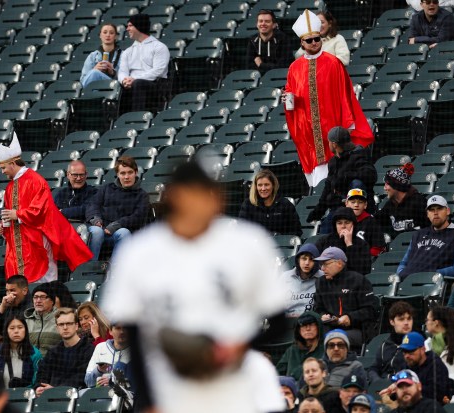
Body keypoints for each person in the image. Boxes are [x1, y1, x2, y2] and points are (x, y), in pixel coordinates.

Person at [102, 160, 287, 413]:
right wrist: (149, 402)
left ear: (215, 198)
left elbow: (278, 321)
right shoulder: (140, 251)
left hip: (234, 377)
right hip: (171, 379)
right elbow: (134, 332)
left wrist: (239, 346)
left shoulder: (248, 243)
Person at [284, 10, 373, 188]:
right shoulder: (294, 68)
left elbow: (345, 94)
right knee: (315, 180)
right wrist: (288, 99)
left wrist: (347, 124)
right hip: (307, 130)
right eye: (309, 40)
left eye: (317, 39)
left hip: (330, 126)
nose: (314, 42)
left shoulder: (333, 63)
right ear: (302, 42)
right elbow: (290, 94)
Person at [0, 134, 92, 284]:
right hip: (20, 240)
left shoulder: (36, 180)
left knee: (44, 277)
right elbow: (9, 214)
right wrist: (4, 227)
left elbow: (41, 209)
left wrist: (17, 214)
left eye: (4, 167)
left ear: (13, 163)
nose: (2, 171)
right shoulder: (10, 186)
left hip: (37, 236)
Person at [306, 126, 377, 234]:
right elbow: (328, 188)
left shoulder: (358, 155)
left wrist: (346, 177)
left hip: (355, 207)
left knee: (356, 183)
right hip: (337, 208)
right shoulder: (333, 162)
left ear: (334, 144)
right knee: (324, 234)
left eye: (329, 142)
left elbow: (371, 175)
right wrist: (318, 211)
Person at [85, 156, 150, 261]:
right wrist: (95, 219)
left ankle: (115, 272)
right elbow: (93, 205)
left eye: (130, 172)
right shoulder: (106, 188)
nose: (126, 177)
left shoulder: (142, 195)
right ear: (118, 174)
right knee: (95, 232)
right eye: (122, 173)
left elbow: (138, 217)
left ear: (136, 172)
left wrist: (117, 225)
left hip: (122, 232)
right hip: (101, 229)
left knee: (123, 232)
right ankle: (88, 270)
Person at [396, 195, 454, 280]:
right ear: (427, 214)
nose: (435, 213)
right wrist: (401, 273)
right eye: (431, 210)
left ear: (448, 211)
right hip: (407, 282)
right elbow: (403, 263)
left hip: (433, 284)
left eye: (439, 208)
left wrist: (434, 274)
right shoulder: (418, 235)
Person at [314, 247, 376, 347]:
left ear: (339, 263)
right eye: (321, 265)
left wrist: (350, 318)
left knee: (334, 339)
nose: (322, 268)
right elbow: (318, 308)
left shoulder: (358, 280)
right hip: (329, 327)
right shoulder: (321, 283)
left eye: (326, 264)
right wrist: (323, 315)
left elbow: (370, 310)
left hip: (357, 329)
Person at [381, 332, 453, 405]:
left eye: (410, 351)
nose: (407, 356)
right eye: (404, 352)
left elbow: (436, 394)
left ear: (423, 349)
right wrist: (393, 391)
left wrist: (409, 388)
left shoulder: (436, 365)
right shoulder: (406, 365)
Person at [34, 308, 94, 396]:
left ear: (77, 326)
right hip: (49, 399)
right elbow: (41, 376)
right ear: (57, 328)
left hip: (76, 398)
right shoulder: (52, 352)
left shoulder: (88, 349)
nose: (65, 327)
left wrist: (56, 390)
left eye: (69, 323)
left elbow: (82, 379)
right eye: (61, 324)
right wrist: (39, 388)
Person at [117, 14, 170, 112]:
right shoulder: (128, 51)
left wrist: (135, 79)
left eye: (130, 25)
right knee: (118, 85)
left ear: (139, 26)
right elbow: (122, 71)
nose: (127, 29)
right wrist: (124, 81)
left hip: (154, 85)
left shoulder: (159, 47)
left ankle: (137, 117)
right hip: (132, 84)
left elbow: (158, 71)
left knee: (139, 83)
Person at [239, 169, 302, 236]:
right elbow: (242, 231)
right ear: (256, 187)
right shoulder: (248, 204)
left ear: (273, 185)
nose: (263, 188)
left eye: (266, 185)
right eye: (260, 185)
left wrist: (279, 237)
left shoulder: (285, 204)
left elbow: (296, 231)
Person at [374, 163, 429, 239]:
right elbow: (375, 221)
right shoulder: (391, 204)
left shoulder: (419, 203)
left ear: (396, 186)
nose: (384, 188)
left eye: (387, 184)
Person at [0, 316, 41, 388]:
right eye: (12, 328)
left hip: (25, 397)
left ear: (26, 330)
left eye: (20, 327)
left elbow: (36, 382)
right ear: (6, 331)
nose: (16, 331)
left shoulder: (34, 353)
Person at [315, 208, 372, 276]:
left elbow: (364, 270)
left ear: (353, 225)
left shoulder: (362, 244)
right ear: (335, 225)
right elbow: (314, 262)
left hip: (351, 282)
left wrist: (349, 244)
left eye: (347, 223)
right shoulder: (324, 241)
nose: (343, 226)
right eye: (339, 223)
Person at [368, 301, 413, 382]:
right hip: (383, 387)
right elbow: (373, 369)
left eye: (409, 318)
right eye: (401, 319)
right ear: (392, 322)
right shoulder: (385, 344)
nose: (406, 323)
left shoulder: (417, 345)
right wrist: (378, 382)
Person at [424, 306, 454, 381]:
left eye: (427, 320)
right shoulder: (427, 344)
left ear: (436, 323)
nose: (425, 323)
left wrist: (446, 380)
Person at [0, 275, 31, 345]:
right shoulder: (6, 307)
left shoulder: (32, 308)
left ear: (24, 291)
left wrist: (4, 338)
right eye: (7, 291)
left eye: (12, 290)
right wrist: (2, 307)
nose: (9, 295)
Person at [277, 312, 325, 381]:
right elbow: (278, 372)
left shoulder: (326, 349)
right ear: (298, 330)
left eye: (311, 325)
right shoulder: (292, 350)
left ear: (318, 327)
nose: (308, 329)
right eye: (303, 325)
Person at [246, 10, 293, 74]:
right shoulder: (252, 41)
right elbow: (249, 67)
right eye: (260, 21)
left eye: (267, 21)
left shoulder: (283, 39)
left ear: (274, 25)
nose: (263, 24)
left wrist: (261, 65)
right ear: (257, 24)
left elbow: (284, 66)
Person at [85, 322, 131, 387]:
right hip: (101, 395)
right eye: (118, 328)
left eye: (125, 328)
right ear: (110, 331)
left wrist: (112, 380)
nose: (122, 332)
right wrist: (99, 370)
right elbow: (88, 382)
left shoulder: (137, 350)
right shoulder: (101, 347)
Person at [281, 244, 320, 318]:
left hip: (311, 322)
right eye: (304, 258)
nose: (307, 263)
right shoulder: (285, 277)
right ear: (298, 260)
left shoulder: (322, 277)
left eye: (311, 259)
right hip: (287, 321)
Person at [345, 189, 386, 257]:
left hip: (364, 262)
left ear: (365, 205)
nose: (356, 205)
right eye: (353, 202)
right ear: (346, 203)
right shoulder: (341, 221)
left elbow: (377, 248)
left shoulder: (372, 222)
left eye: (360, 202)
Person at [80, 23, 122, 88]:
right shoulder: (92, 56)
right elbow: (83, 80)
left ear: (116, 36)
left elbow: (126, 78)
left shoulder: (124, 55)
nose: (108, 35)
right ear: (100, 35)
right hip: (95, 88)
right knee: (94, 72)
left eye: (111, 33)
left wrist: (113, 72)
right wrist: (95, 69)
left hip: (114, 87)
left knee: (94, 73)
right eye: (105, 32)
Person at [23, 284, 59, 357]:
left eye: (42, 297)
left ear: (52, 301)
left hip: (54, 364)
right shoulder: (25, 321)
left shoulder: (60, 319)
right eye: (35, 297)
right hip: (30, 365)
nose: (38, 301)